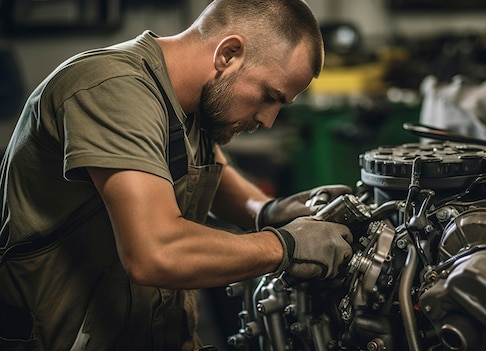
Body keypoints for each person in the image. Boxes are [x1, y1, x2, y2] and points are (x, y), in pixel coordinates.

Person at [0, 1, 355, 350]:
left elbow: (211, 172)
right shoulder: (114, 89)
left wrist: (268, 210)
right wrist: (287, 246)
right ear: (228, 54)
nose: (268, 120)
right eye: (269, 96)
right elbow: (156, 252)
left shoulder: (194, 104)